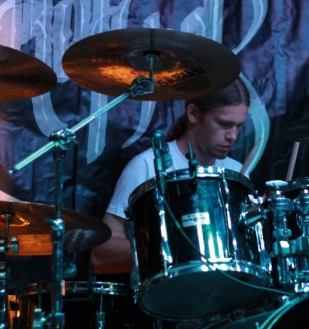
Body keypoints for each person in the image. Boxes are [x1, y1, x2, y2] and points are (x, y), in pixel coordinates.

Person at [91, 79, 251, 274]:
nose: (233, 136)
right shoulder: (146, 166)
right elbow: (100, 257)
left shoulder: (237, 173)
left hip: (228, 289)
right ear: (193, 114)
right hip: (167, 290)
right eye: (224, 124)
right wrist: (173, 247)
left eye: (239, 126)